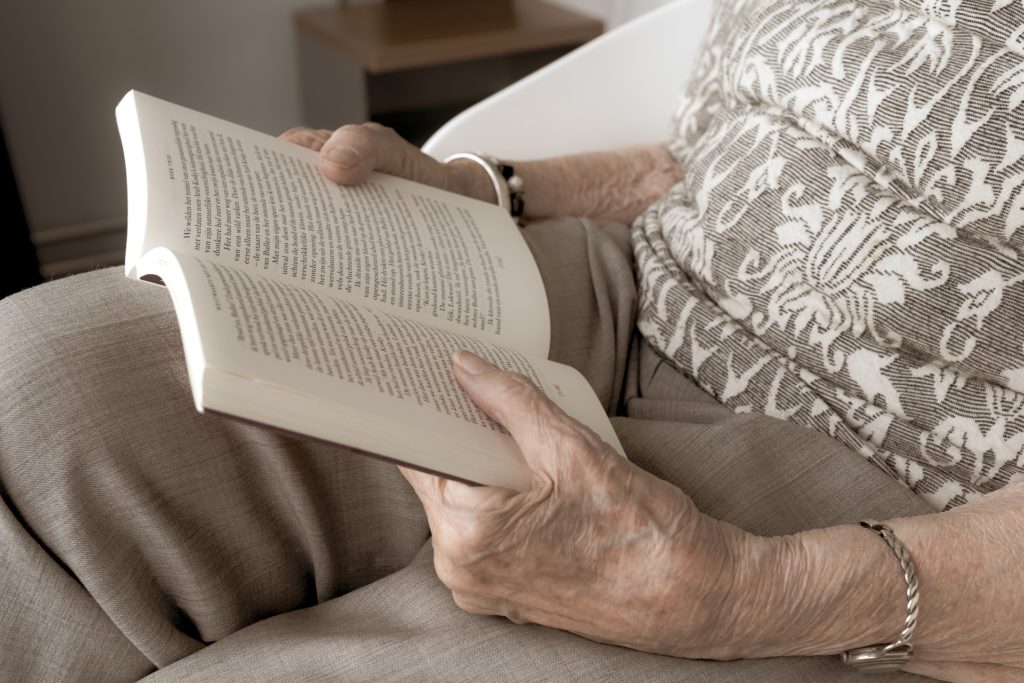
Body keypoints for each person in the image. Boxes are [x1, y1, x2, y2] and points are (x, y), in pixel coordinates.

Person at [2, 0, 1022, 681]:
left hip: (896, 468)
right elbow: (733, 143)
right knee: (30, 387)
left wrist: (740, 593)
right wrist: (486, 190)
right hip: (626, 278)